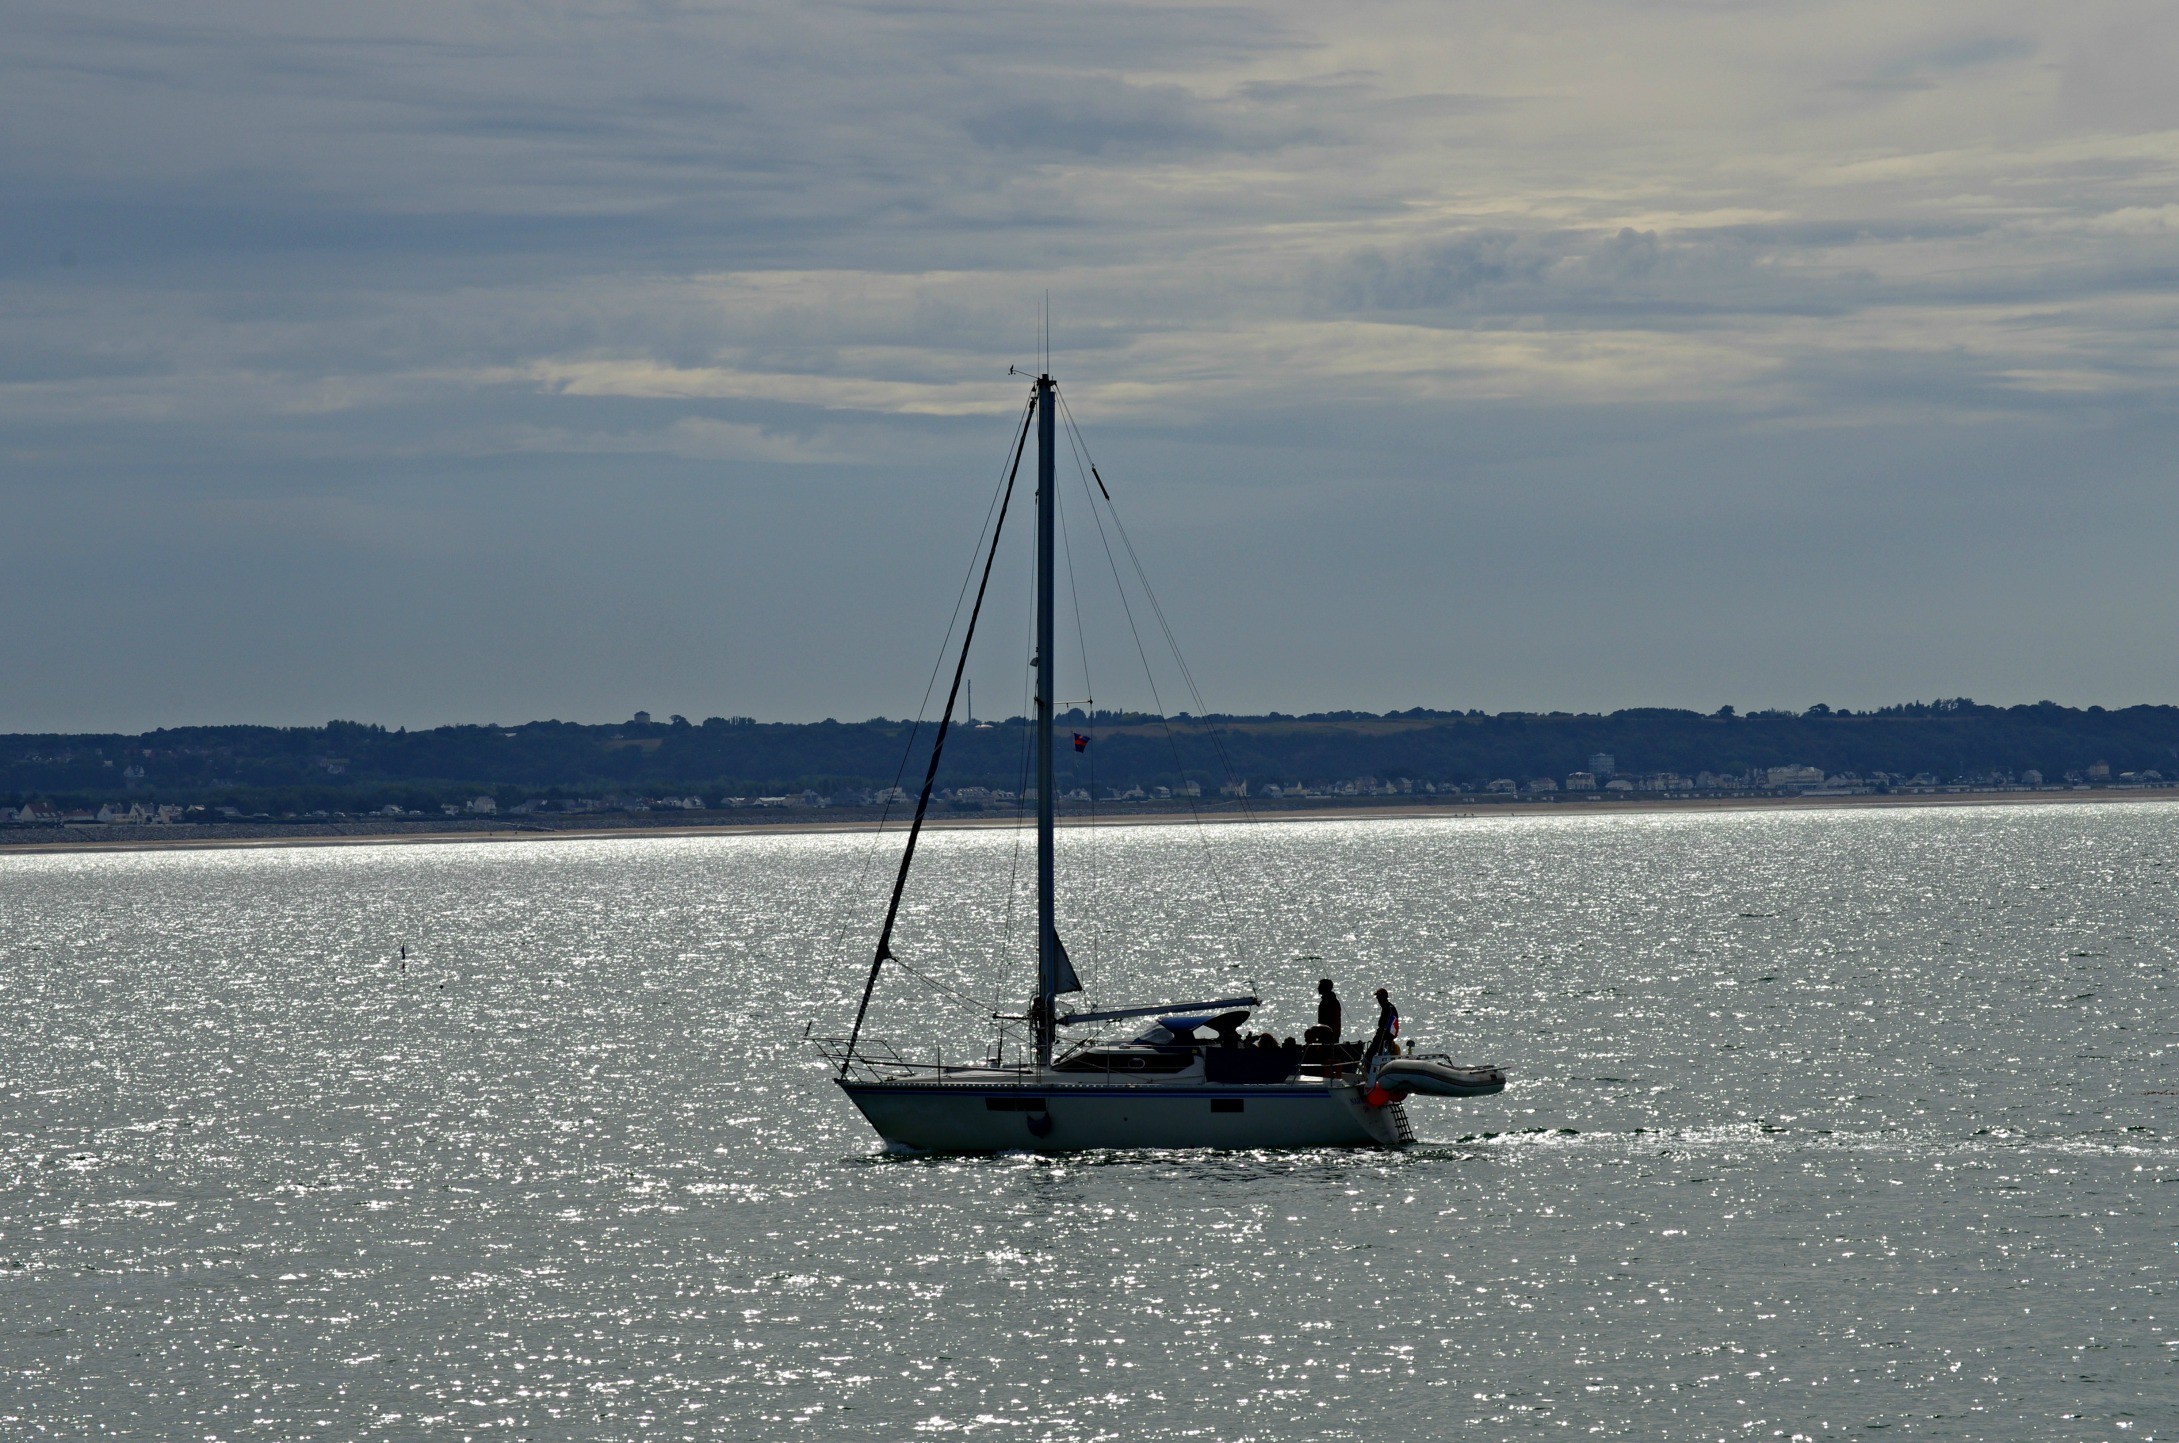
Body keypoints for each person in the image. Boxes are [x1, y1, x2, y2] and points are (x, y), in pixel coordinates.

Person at [1364, 987, 1400, 1069]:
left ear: (1384, 997)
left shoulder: (1388, 1008)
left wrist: (1385, 1037)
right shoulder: (1387, 1007)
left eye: (1379, 996)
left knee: (1370, 1055)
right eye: (1377, 996)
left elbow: (1385, 1026)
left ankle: (1371, 1073)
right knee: (1371, 1055)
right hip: (1382, 1036)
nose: (1377, 998)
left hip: (1383, 1037)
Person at [1303, 978, 1341, 1046]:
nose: (1318, 988)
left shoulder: (1330, 1002)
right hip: (1325, 1032)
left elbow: (1333, 1020)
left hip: (1329, 1034)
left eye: (1320, 986)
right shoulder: (1327, 1001)